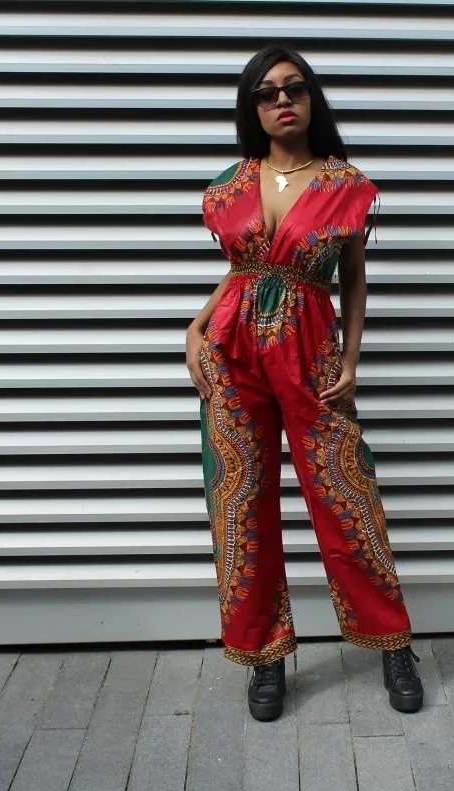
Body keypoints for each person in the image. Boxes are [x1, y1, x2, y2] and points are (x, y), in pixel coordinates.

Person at [185, 45, 423, 722]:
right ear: (252, 108)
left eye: (294, 88)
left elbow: (352, 278)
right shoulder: (228, 186)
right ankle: (264, 657)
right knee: (239, 507)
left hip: (311, 350)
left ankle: (393, 643)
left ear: (312, 99)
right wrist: (194, 328)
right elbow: (240, 271)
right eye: (266, 92)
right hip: (232, 356)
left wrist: (351, 360)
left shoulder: (346, 184)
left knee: (348, 497)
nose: (282, 100)